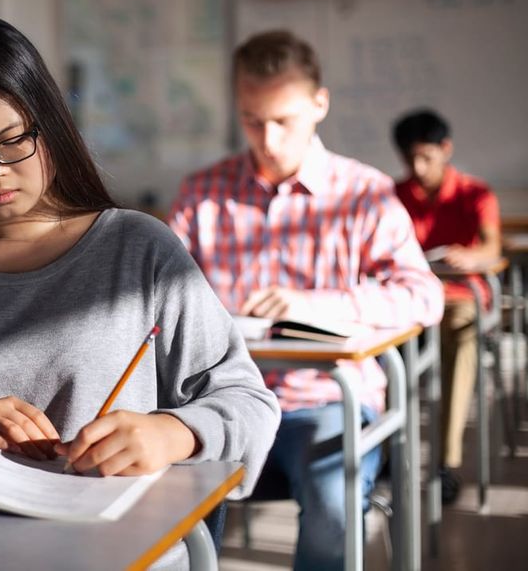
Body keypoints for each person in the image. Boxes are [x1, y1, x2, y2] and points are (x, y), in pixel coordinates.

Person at [0, 16, 280, 571]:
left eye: (11, 143)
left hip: (115, 549)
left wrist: (172, 433)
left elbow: (250, 405)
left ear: (47, 125)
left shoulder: (137, 250)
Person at [168, 30, 444, 571]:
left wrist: (315, 304)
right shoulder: (202, 192)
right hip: (218, 399)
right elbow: (155, 300)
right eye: (251, 118)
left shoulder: (364, 193)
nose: (267, 138)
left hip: (323, 401)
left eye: (283, 120)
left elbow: (423, 295)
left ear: (320, 104)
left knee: (333, 504)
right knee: (150, 499)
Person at [392, 108, 501, 504]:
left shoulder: (476, 193)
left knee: (461, 336)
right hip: (410, 300)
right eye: (410, 159)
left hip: (459, 299)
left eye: (427, 157)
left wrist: (472, 256)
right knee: (381, 349)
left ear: (446, 149)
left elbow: (492, 247)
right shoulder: (394, 194)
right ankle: (386, 451)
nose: (419, 168)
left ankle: (446, 461)